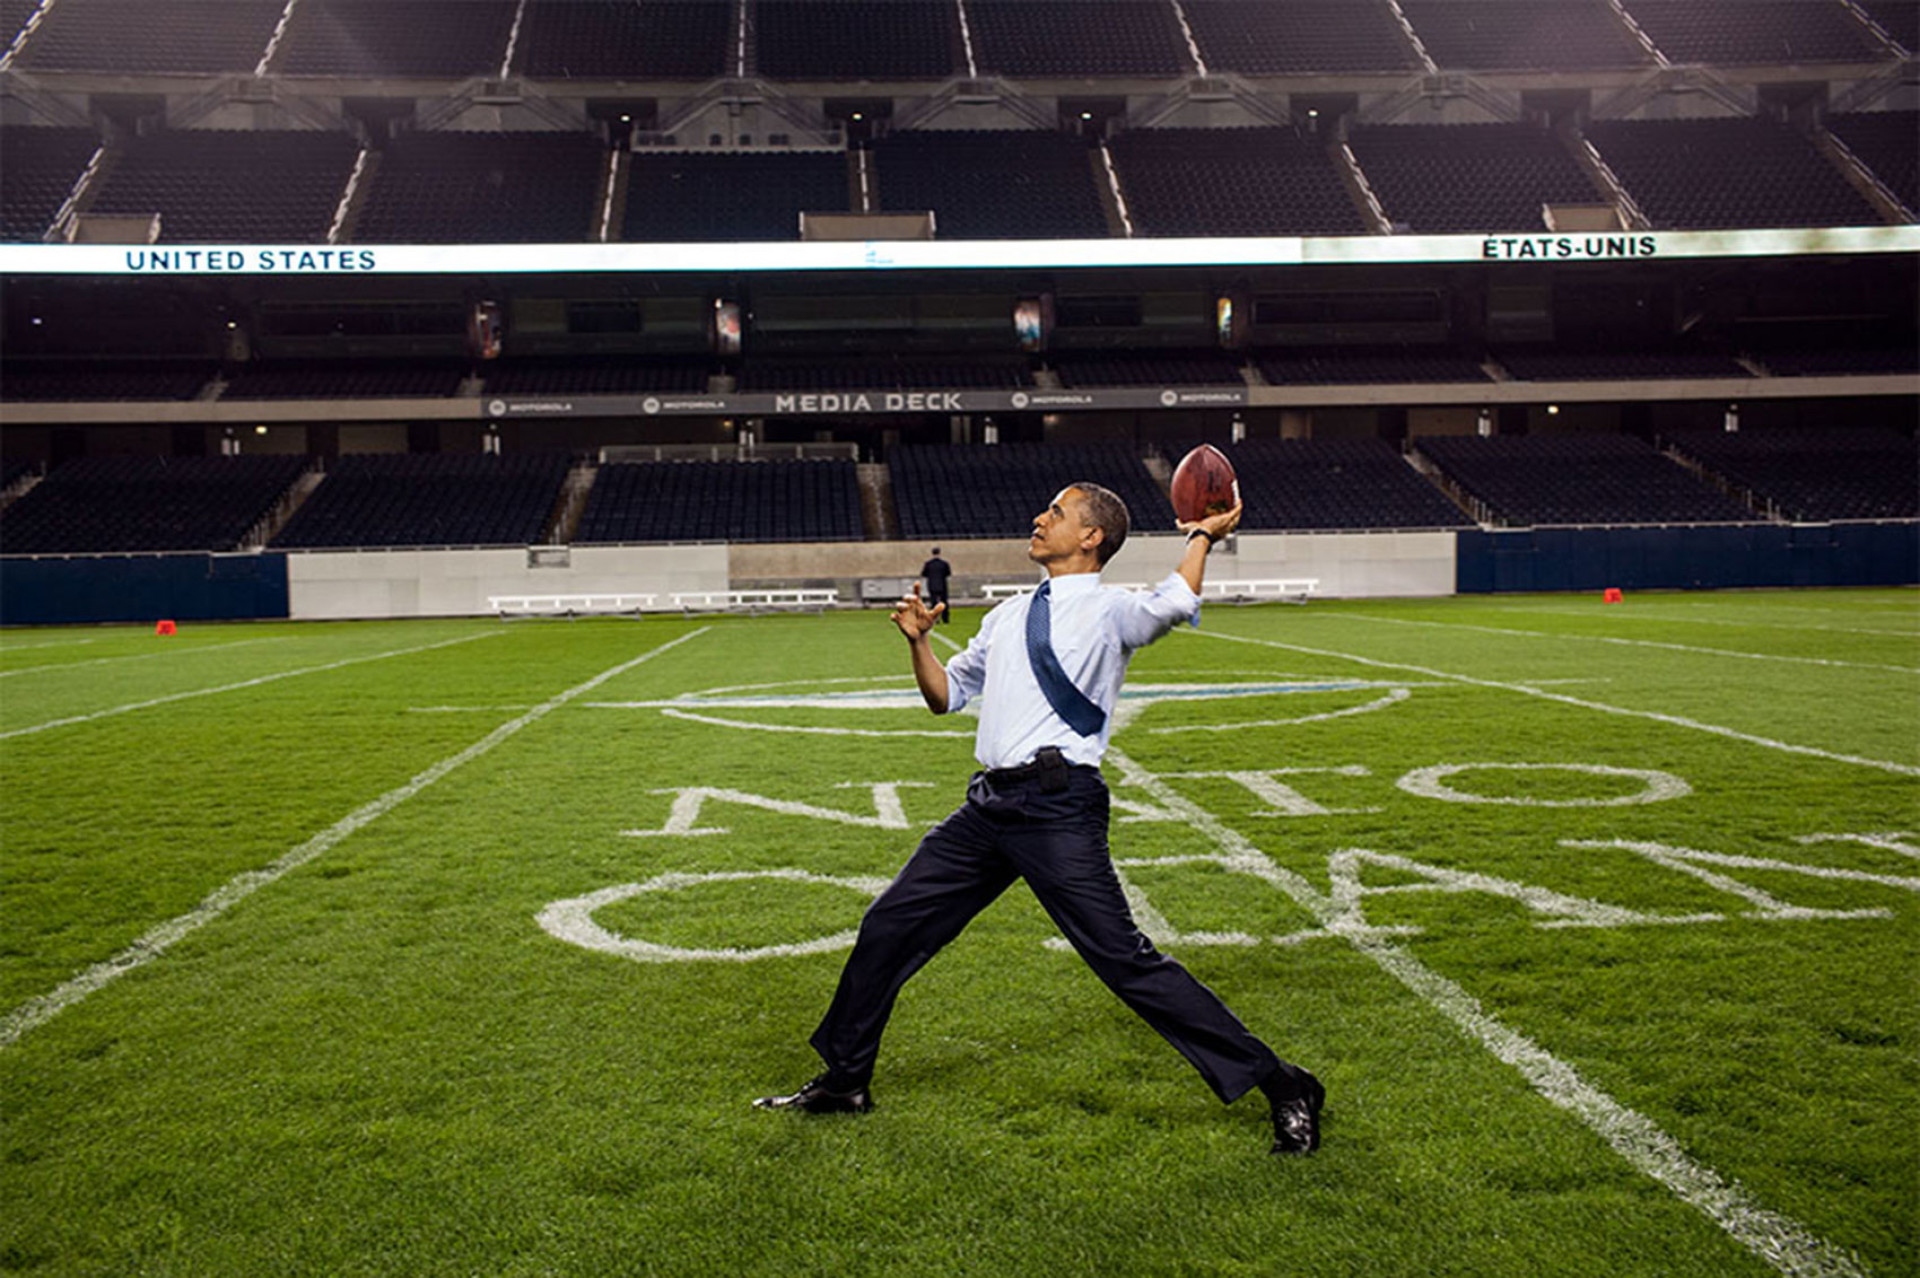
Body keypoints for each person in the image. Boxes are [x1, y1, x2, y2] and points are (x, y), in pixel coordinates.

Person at [755, 481, 1324, 1155]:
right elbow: (947, 697)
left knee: (1124, 963)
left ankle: (1285, 1084)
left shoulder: (1113, 610)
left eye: (1055, 513)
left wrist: (1202, 535)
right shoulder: (1007, 614)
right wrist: (918, 644)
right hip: (988, 806)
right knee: (889, 926)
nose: (1038, 518)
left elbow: (1176, 601)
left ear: (1091, 538)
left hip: (1058, 807)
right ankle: (846, 1080)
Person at [919, 547, 952, 624]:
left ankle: (935, 618)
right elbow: (948, 573)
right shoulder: (944, 563)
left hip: (932, 585)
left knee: (933, 603)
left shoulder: (928, 564)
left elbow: (924, 574)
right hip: (942, 585)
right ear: (939, 553)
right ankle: (945, 618)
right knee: (944, 602)